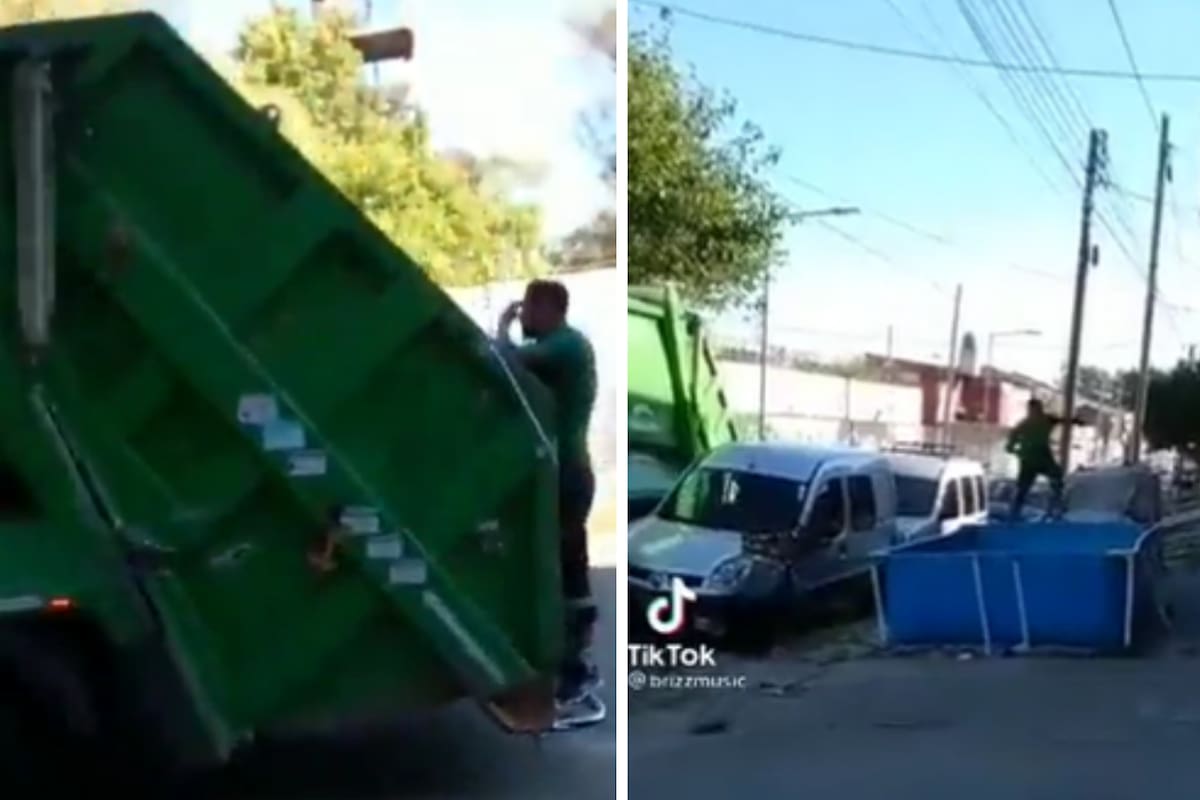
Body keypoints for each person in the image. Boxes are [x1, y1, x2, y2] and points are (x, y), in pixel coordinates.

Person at [498, 279, 602, 730]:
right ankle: (569, 665)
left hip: (568, 471)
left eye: (529, 308)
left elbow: (508, 360)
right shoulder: (558, 345)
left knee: (565, 567)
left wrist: (503, 326)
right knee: (560, 566)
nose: (524, 317)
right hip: (563, 470)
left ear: (549, 308)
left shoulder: (567, 345)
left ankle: (574, 668)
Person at [1005, 398, 1082, 520]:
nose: (1037, 412)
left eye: (1038, 410)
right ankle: (1015, 514)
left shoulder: (1039, 421)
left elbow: (1064, 420)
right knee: (1024, 488)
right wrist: (1019, 452)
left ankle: (1055, 505)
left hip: (1037, 457)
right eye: (1035, 410)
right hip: (1033, 459)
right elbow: (1009, 447)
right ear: (1031, 410)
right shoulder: (1026, 424)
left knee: (1054, 476)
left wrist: (1076, 421)